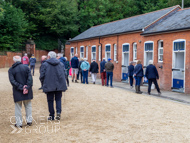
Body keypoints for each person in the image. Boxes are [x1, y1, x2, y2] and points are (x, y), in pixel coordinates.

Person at [40, 51, 67, 120]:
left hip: (49, 84)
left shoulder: (45, 64)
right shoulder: (61, 64)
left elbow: (42, 76)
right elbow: (64, 74)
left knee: (50, 100)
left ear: (48, 56)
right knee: (58, 99)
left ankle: (51, 115)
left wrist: (43, 84)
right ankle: (58, 112)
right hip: (59, 84)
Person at [8, 55, 33, 128]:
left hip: (17, 90)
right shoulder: (26, 67)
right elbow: (30, 79)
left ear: (14, 61)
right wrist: (27, 87)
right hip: (27, 90)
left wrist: (21, 87)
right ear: (21, 60)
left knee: (18, 107)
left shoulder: (11, 69)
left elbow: (12, 81)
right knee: (28, 106)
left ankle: (19, 123)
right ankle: (29, 121)